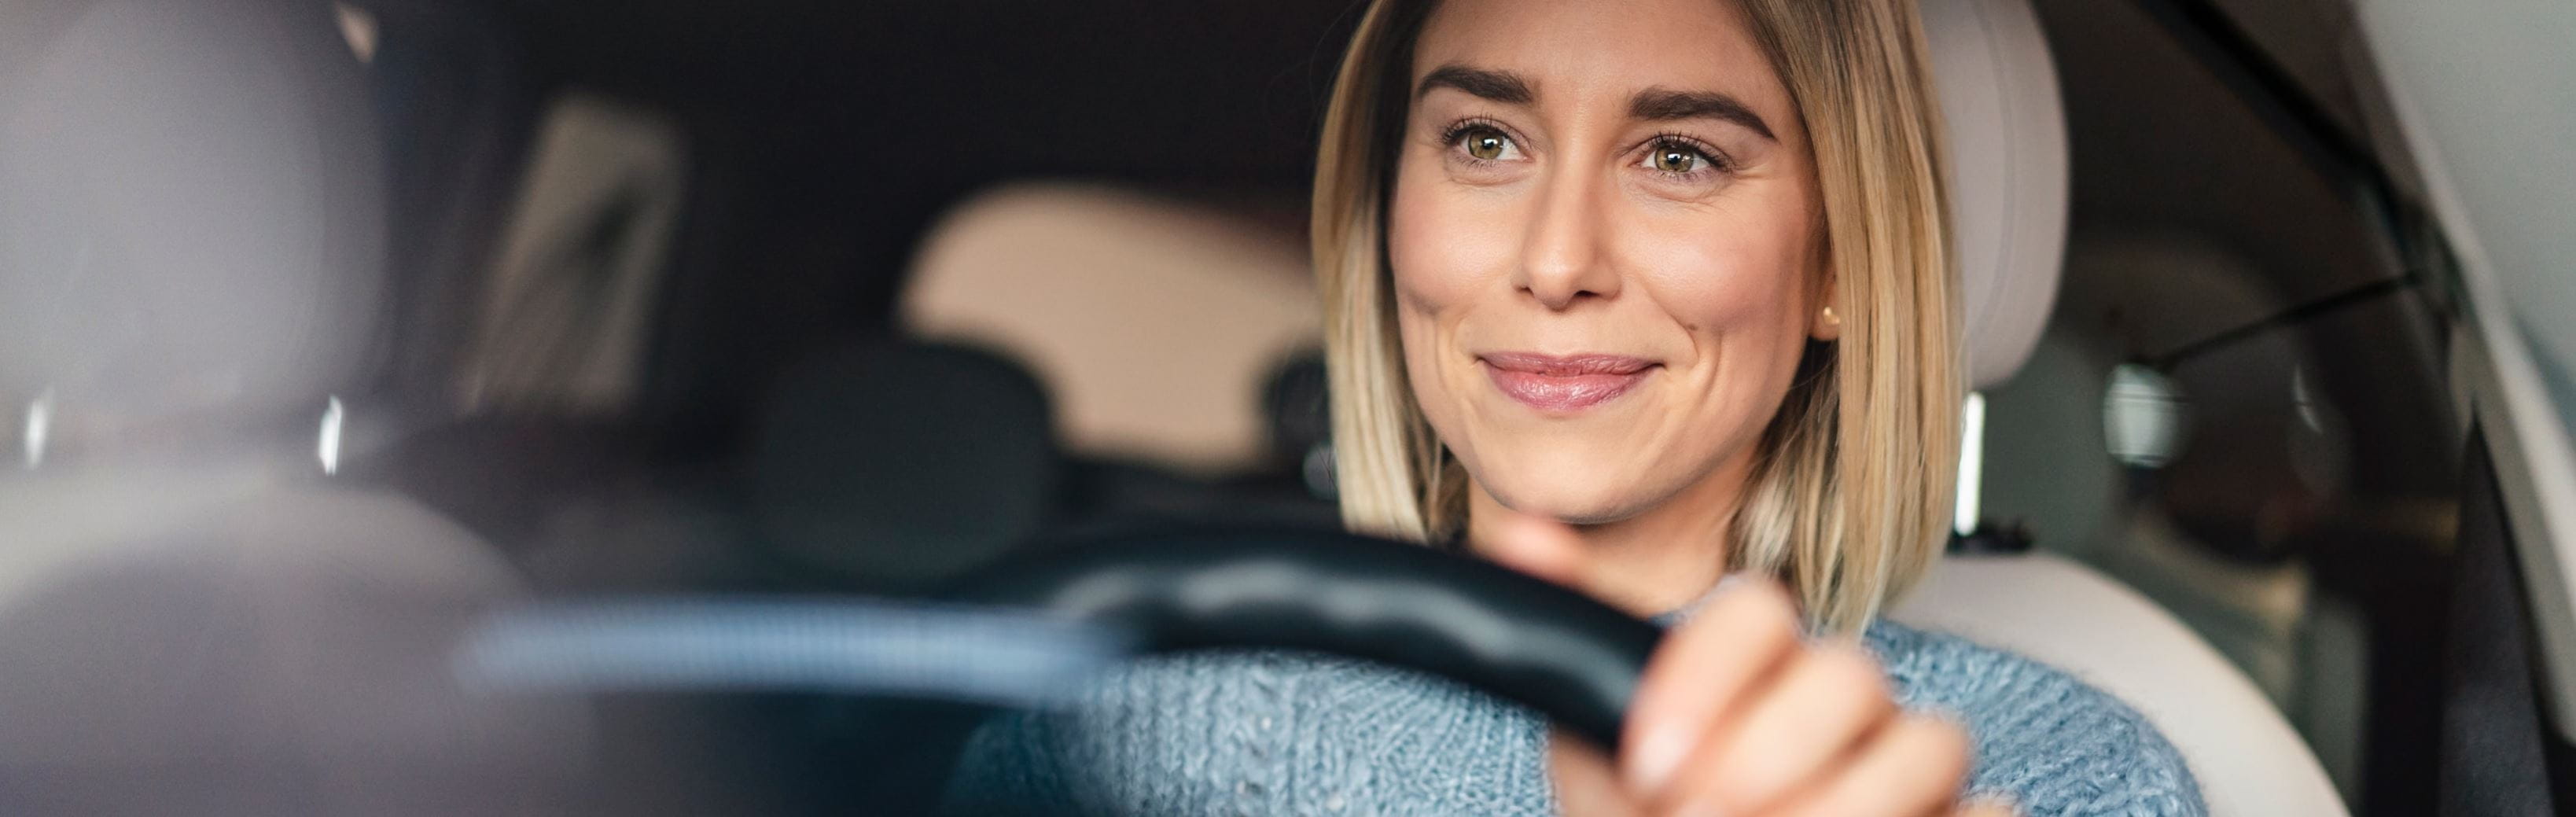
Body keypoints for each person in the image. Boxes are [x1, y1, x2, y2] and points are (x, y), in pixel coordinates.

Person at [948, 0, 2205, 813]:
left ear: (1840, 267)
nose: (1556, 262)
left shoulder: (2057, 776)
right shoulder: (1109, 738)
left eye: (1680, 157)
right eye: (1486, 140)